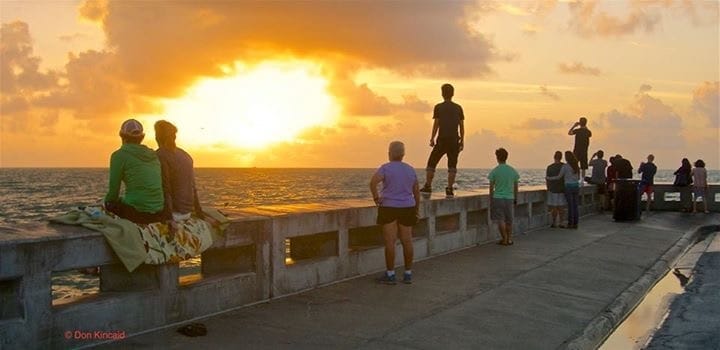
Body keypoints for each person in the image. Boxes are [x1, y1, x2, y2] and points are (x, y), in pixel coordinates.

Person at [370, 141, 420, 284]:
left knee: (390, 242)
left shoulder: (385, 168)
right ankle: (408, 273)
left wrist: (376, 198)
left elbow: (373, 183)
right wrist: (416, 209)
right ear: (403, 154)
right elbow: (416, 191)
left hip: (389, 207)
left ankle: (391, 274)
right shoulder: (410, 169)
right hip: (408, 207)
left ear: (390, 153)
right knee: (407, 241)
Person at [104, 119, 164, 224]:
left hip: (137, 213)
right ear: (142, 138)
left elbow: (113, 192)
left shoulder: (119, 155)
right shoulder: (153, 154)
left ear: (122, 136)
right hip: (159, 211)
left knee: (109, 204)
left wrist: (107, 202)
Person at [154, 120, 204, 226]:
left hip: (173, 214)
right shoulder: (186, 156)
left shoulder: (159, 155)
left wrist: (168, 218)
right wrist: (200, 213)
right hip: (187, 213)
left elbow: (165, 189)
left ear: (157, 137)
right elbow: (193, 188)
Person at [420, 83, 465, 198]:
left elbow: (436, 124)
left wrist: (432, 138)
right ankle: (449, 188)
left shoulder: (438, 107)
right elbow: (461, 126)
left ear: (442, 93)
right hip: (454, 140)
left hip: (442, 139)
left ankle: (428, 186)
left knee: (432, 162)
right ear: (453, 94)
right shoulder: (458, 108)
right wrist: (462, 141)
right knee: (452, 165)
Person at [488, 148, 520, 245]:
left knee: (500, 219)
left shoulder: (494, 171)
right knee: (509, 220)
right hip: (509, 198)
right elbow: (516, 187)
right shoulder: (512, 171)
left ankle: (504, 239)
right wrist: (515, 198)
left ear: (497, 158)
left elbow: (491, 188)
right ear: (506, 157)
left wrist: (491, 199)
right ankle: (509, 239)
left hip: (498, 198)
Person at [546, 151, 581, 229]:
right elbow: (578, 178)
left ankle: (570, 223)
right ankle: (575, 224)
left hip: (568, 187)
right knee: (575, 206)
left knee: (570, 206)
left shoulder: (565, 166)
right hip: (576, 187)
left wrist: (548, 178)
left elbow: (559, 177)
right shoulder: (576, 166)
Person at [568, 117, 592, 183]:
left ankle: (574, 178)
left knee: (574, 165)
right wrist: (585, 126)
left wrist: (574, 126)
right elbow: (590, 134)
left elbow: (569, 133)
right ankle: (582, 180)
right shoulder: (588, 132)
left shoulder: (577, 131)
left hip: (576, 150)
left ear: (580, 123)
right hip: (584, 151)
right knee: (583, 167)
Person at [546, 151, 566, 228]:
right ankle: (561, 222)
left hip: (552, 189)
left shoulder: (550, 167)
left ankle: (554, 222)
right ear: (561, 157)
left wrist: (548, 188)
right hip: (561, 189)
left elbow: (547, 179)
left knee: (554, 207)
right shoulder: (564, 166)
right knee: (561, 207)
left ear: (554, 157)